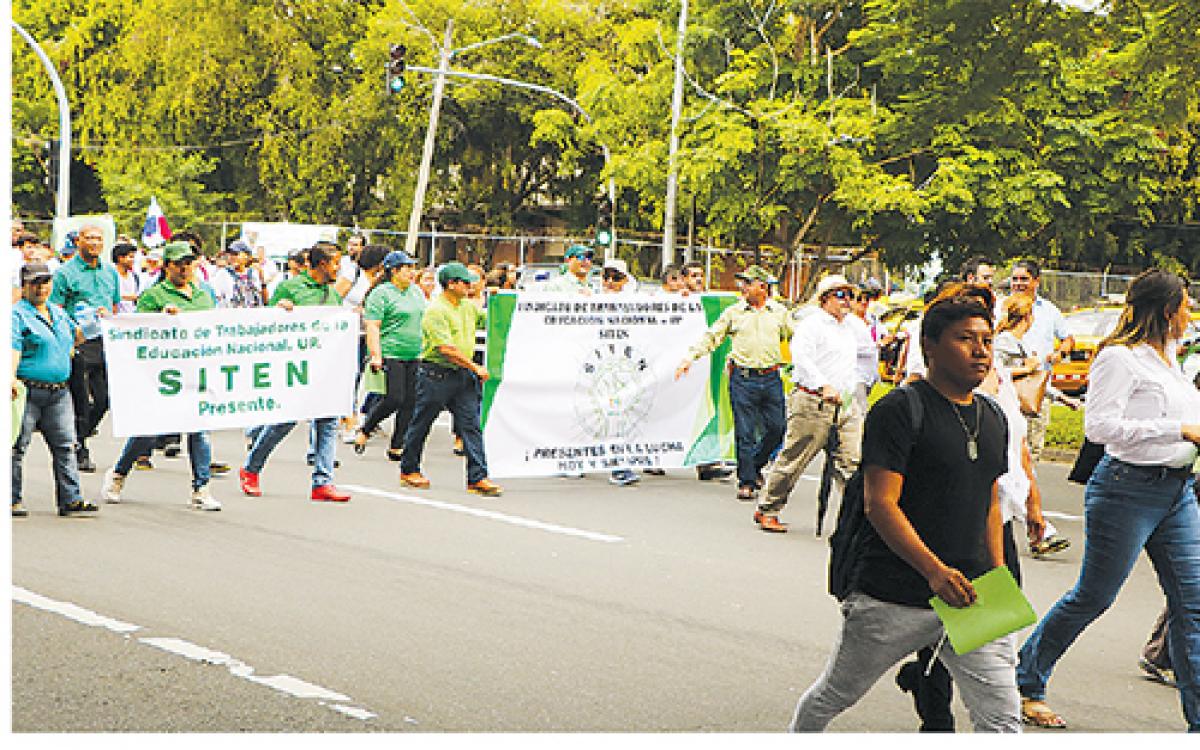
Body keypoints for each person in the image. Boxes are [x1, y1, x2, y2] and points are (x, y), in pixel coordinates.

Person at [791, 290, 1020, 733]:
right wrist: (934, 571)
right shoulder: (900, 409)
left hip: (973, 595)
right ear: (930, 346)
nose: (980, 351)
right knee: (835, 695)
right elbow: (880, 504)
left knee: (1002, 718)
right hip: (895, 595)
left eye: (987, 340)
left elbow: (990, 500)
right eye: (965, 339)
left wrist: (997, 574)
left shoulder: (992, 414)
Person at [1016, 269, 1200, 731]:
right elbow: (1099, 428)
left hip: (1176, 491)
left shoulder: (1171, 357)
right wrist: (1176, 430)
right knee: (1094, 596)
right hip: (1126, 489)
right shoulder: (1119, 358)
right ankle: (1026, 680)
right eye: (1186, 304)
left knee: (1193, 603)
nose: (1191, 312)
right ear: (1165, 310)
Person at [100, 242, 222, 511]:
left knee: (199, 431)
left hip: (196, 371)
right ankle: (119, 473)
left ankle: (201, 488)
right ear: (167, 266)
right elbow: (140, 332)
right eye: (179, 263)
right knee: (148, 431)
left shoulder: (205, 294)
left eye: (189, 263)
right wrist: (162, 318)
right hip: (164, 373)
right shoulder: (154, 295)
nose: (185, 268)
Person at [238, 245, 352, 502]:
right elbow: (268, 322)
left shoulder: (331, 295)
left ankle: (323, 481)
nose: (338, 269)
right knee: (284, 421)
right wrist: (281, 310)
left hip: (324, 368)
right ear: (321, 264)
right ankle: (251, 468)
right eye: (335, 263)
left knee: (328, 421)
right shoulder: (291, 287)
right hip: (295, 368)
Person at [756, 275, 863, 533]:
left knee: (852, 463)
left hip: (845, 404)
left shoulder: (851, 328)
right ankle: (768, 507)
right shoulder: (812, 325)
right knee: (795, 458)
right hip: (813, 401)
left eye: (850, 296)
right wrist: (822, 384)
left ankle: (858, 520)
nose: (846, 301)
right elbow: (802, 358)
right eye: (840, 295)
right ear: (825, 298)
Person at [676, 265, 791, 500]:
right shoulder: (734, 313)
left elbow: (796, 336)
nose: (744, 288)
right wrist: (690, 357)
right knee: (745, 431)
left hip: (770, 377)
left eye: (749, 284)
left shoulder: (778, 312)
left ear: (762, 287)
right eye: (743, 283)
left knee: (777, 429)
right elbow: (713, 336)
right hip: (743, 378)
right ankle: (747, 480)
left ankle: (755, 464)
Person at [398, 262, 503, 497]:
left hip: (462, 376)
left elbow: (490, 320)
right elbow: (445, 348)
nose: (470, 285)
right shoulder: (436, 311)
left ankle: (478, 477)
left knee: (471, 425)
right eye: (465, 282)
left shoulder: (467, 306)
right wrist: (475, 366)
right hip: (436, 373)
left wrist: (501, 302)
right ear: (451, 284)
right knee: (422, 423)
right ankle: (409, 468)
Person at [11, 262, 97, 517]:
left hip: (59, 391)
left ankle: (71, 498)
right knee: (16, 446)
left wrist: (97, 322)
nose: (41, 288)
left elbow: (76, 336)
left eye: (45, 283)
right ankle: (11, 498)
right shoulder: (16, 316)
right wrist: (10, 378)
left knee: (66, 445)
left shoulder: (58, 313)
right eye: (35, 283)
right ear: (24, 286)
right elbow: (12, 349)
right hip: (28, 390)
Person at [49, 222, 120, 473]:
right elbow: (55, 308)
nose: (94, 243)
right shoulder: (65, 273)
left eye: (98, 239)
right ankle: (78, 448)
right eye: (88, 238)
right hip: (77, 340)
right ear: (78, 241)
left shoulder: (110, 272)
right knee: (79, 397)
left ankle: (79, 436)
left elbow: (115, 305)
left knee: (102, 400)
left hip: (103, 341)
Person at [353, 249, 426, 461]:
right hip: (391, 351)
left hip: (414, 352)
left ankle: (397, 445)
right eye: (407, 268)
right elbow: (373, 326)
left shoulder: (416, 292)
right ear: (394, 271)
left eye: (413, 267)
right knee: (394, 397)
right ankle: (366, 428)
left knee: (410, 401)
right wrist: (376, 355)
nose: (412, 272)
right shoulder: (381, 293)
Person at [1006, 260, 1074, 461]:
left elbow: (1068, 339)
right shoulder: (1001, 307)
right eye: (1015, 279)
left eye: (1024, 279)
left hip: (1037, 390)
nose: (1018, 284)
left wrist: (1059, 354)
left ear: (1036, 281)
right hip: (1007, 388)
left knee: (1032, 450)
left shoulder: (1049, 310)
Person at [210, 239, 266, 309]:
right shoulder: (223, 274)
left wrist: (262, 279)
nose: (232, 257)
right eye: (230, 254)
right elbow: (216, 298)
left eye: (236, 254)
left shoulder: (254, 273)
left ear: (247, 256)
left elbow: (264, 301)